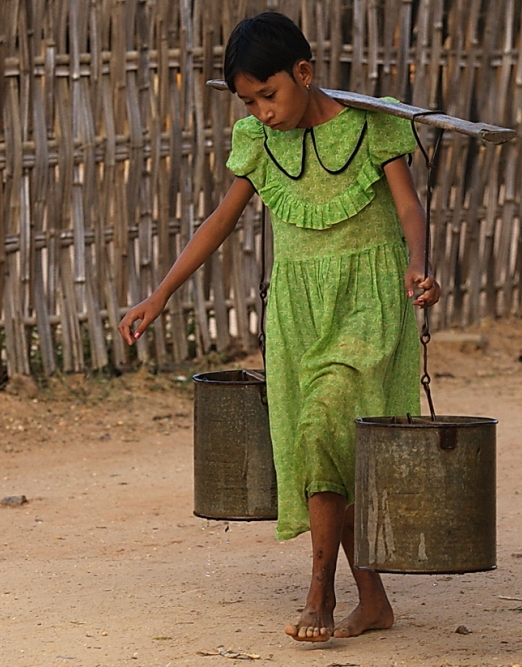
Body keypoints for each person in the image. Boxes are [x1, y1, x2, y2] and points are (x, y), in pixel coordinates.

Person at [117, 12, 439, 643]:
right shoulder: (259, 143)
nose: (263, 111)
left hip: (369, 305)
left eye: (271, 94)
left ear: (304, 72)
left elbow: (408, 205)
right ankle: (373, 602)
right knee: (325, 448)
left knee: (324, 424)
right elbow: (219, 221)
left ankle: (319, 591)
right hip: (297, 315)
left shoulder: (374, 125)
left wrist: (420, 266)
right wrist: (158, 295)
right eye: (249, 101)